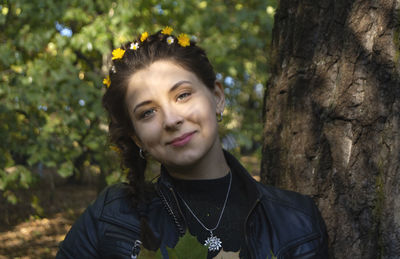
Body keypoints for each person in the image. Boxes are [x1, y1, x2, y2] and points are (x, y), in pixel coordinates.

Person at [56, 27, 328, 259]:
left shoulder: (297, 221)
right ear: (137, 136)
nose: (171, 119)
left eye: (183, 95)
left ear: (217, 97)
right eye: (147, 112)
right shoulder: (111, 216)